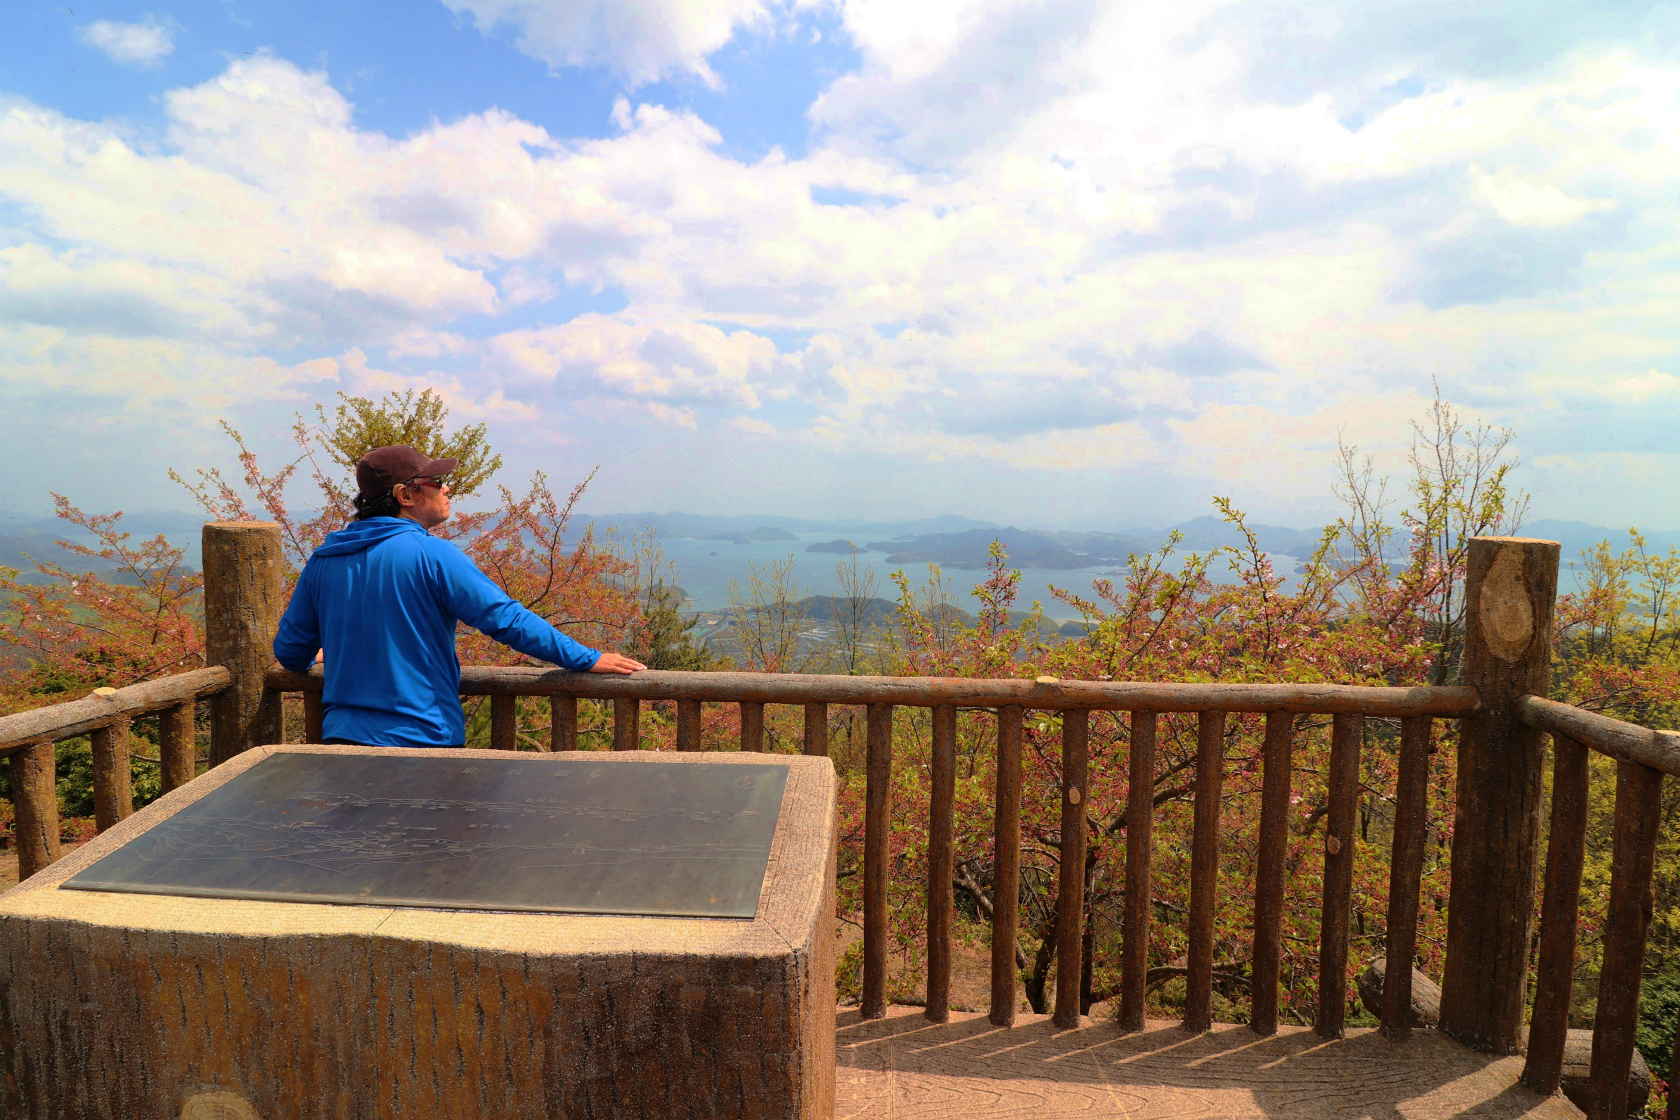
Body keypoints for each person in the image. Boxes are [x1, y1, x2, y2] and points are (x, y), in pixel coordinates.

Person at [272, 445, 645, 747]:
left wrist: (331, 652)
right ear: (405, 494)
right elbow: (506, 619)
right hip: (420, 738)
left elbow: (290, 653)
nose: (447, 488)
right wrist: (586, 657)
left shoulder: (324, 560)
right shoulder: (433, 555)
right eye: (436, 480)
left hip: (341, 740)